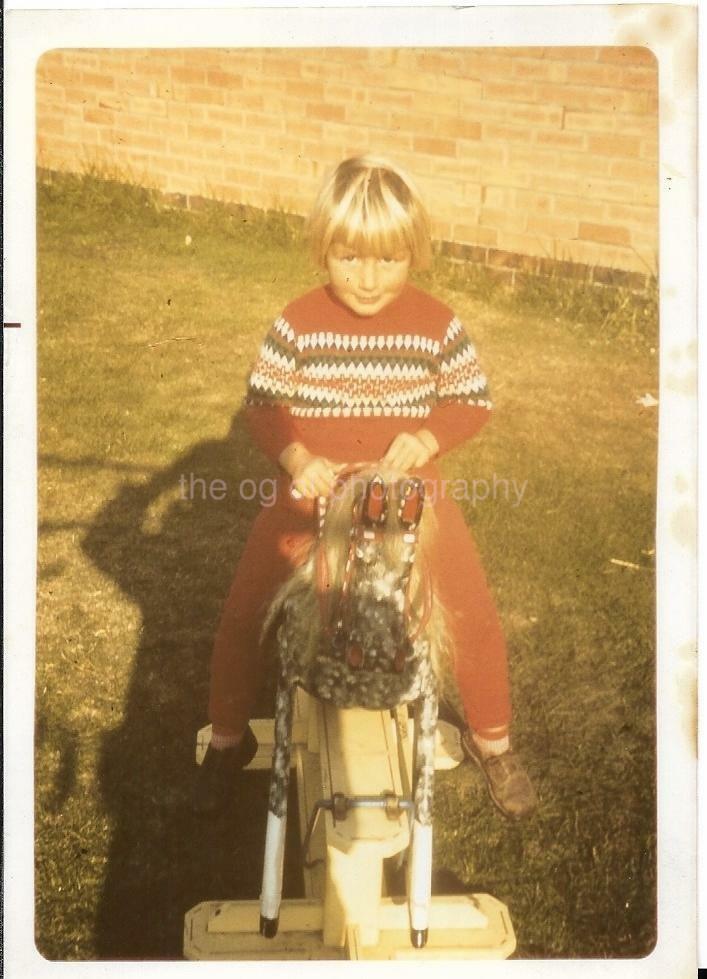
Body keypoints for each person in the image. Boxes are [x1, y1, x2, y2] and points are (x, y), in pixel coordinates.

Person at [194, 155, 537, 820]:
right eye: (349, 258)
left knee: (467, 606)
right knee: (245, 607)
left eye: (387, 260)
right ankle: (228, 737)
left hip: (410, 494)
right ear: (323, 249)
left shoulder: (436, 323)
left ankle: (492, 740)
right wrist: (295, 453)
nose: (368, 278)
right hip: (313, 488)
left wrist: (428, 439)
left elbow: (471, 400)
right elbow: (263, 402)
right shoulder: (299, 320)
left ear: (413, 252)